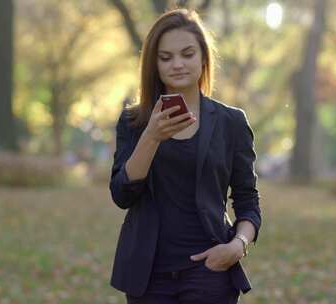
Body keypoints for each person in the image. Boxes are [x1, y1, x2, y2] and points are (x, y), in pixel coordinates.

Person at [109, 8, 261, 304]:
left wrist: (238, 245)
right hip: (147, 274)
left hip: (211, 267)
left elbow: (248, 201)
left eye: (187, 54)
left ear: (203, 57)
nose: (177, 64)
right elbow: (122, 195)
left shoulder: (231, 122)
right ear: (153, 64)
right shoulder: (133, 122)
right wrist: (151, 136)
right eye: (165, 57)